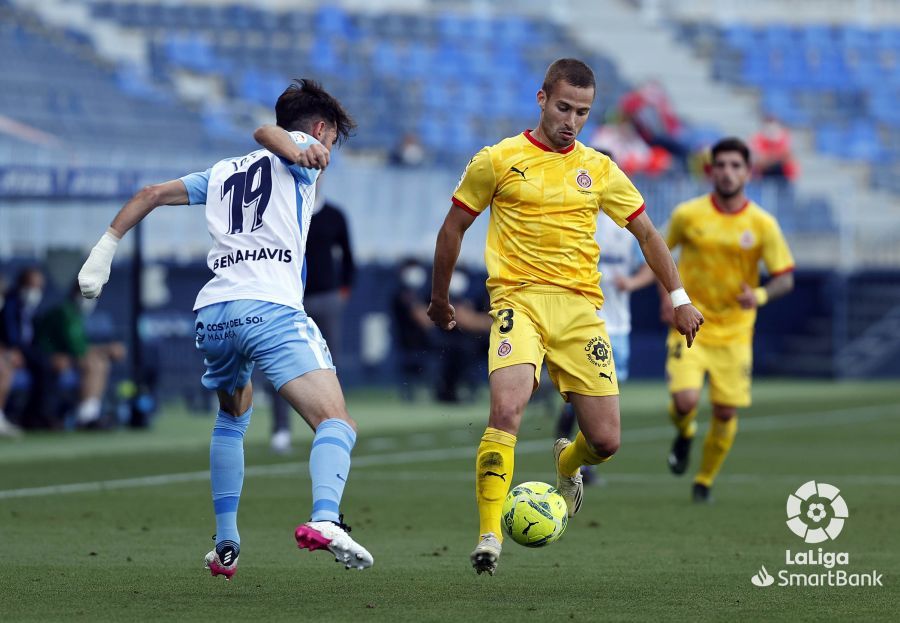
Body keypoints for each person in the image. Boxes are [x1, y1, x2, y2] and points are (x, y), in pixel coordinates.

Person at [76, 79, 374, 579]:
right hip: (270, 310)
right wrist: (300, 148)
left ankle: (226, 542)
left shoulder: (221, 173)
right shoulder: (303, 149)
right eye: (332, 141)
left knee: (233, 417)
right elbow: (267, 132)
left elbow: (150, 194)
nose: (330, 153)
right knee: (337, 424)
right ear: (320, 129)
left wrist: (103, 251)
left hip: (216, 315)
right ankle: (325, 518)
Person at [427, 58, 704, 576]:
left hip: (580, 313)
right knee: (506, 411)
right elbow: (452, 230)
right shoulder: (498, 159)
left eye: (582, 111)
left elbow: (647, 234)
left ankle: (567, 462)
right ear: (541, 99)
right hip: (518, 304)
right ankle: (489, 534)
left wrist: (680, 295)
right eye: (563, 107)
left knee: (606, 442)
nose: (571, 120)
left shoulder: (599, 168)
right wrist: (441, 299)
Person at [663, 137, 795, 503]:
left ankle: (704, 480)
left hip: (736, 332)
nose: (727, 172)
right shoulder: (688, 215)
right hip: (692, 323)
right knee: (686, 400)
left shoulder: (762, 223)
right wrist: (669, 298)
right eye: (721, 165)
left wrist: (761, 294)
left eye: (735, 166)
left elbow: (785, 276)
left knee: (725, 409)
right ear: (711, 171)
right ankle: (685, 432)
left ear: (748, 173)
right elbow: (659, 251)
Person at [556, 215, 656, 476]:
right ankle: (582, 465)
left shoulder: (626, 225)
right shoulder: (579, 216)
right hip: (586, 319)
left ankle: (566, 425)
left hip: (619, 323)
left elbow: (650, 261)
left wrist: (632, 283)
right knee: (591, 391)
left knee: (609, 389)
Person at [271, 190, 356, 454]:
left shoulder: (334, 215)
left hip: (326, 297)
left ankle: (333, 425)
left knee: (330, 364)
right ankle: (281, 430)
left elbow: (348, 257)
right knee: (281, 363)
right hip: (292, 298)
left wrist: (342, 292)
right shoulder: (285, 209)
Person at [35, 282, 126, 428]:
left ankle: (90, 414)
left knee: (99, 362)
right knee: (92, 363)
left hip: (65, 357)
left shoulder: (76, 315)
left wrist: (104, 351)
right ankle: (84, 417)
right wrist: (107, 349)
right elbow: (77, 349)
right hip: (46, 357)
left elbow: (80, 347)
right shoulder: (65, 313)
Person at [0, 267, 48, 432]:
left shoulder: (31, 309)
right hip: (12, 351)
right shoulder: (10, 304)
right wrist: (11, 351)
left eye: (38, 287)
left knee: (46, 364)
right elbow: (11, 336)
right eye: (31, 286)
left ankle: (35, 416)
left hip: (23, 352)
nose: (35, 291)